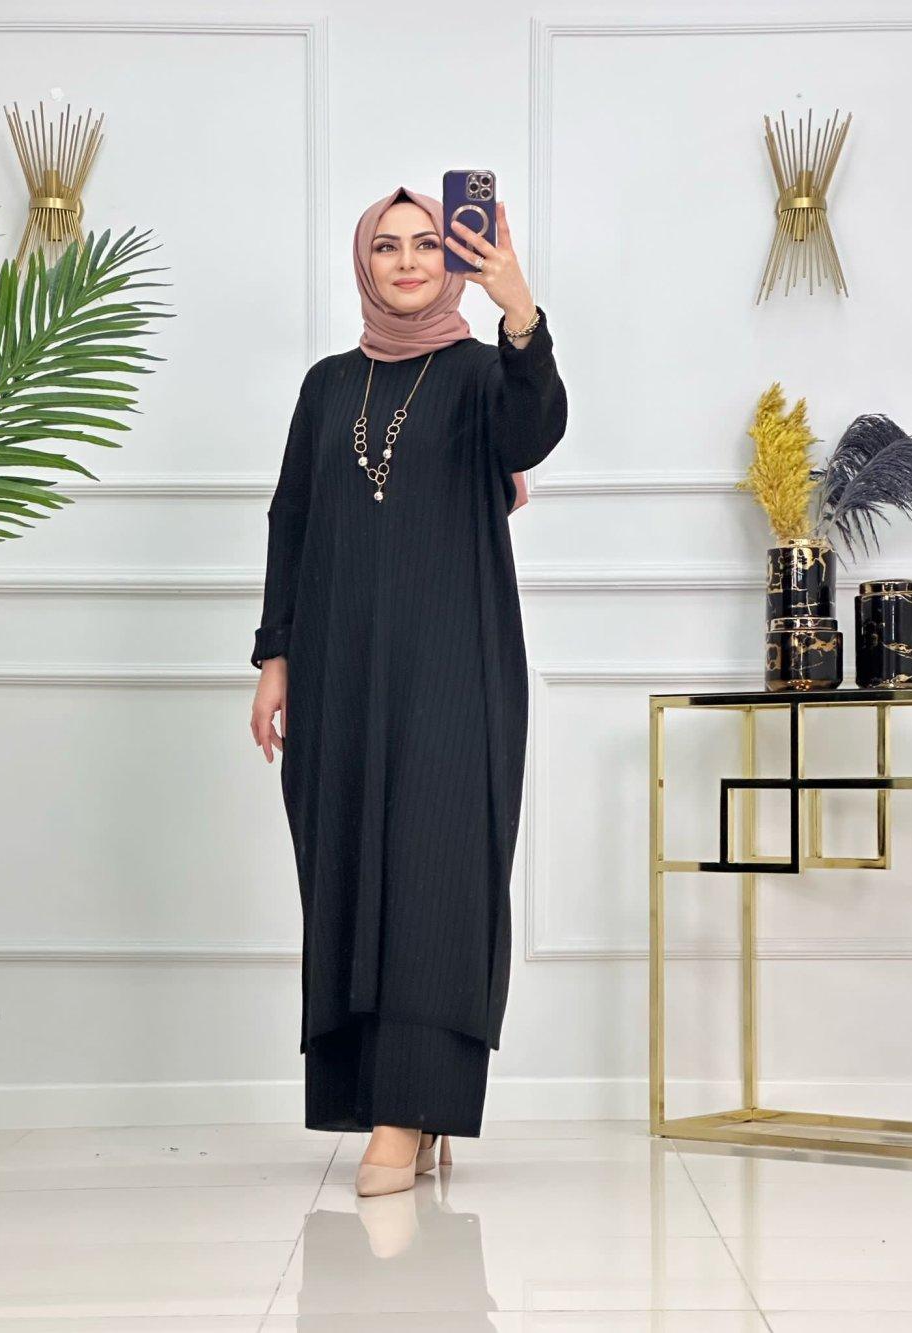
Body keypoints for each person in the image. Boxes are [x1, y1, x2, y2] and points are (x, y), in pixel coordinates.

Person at [250, 183, 568, 1196]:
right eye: (385, 246)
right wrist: (274, 658)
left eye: (426, 243)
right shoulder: (326, 386)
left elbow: (532, 433)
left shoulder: (481, 374)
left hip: (452, 662)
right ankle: (388, 1101)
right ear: (364, 263)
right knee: (348, 866)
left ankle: (408, 1110)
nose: (406, 261)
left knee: (436, 872)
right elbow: (292, 519)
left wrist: (519, 310)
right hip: (337, 667)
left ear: (451, 261)